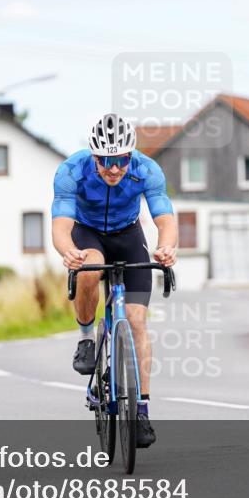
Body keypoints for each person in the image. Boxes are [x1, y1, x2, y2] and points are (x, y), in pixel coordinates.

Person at [50, 113, 177, 448]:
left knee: (136, 321)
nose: (114, 169)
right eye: (106, 161)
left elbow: (165, 217)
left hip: (128, 233)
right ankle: (86, 339)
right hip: (88, 232)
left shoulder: (147, 170)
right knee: (91, 265)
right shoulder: (71, 171)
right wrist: (68, 252)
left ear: (129, 156)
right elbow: (61, 227)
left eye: (121, 160)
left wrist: (166, 247)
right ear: (94, 156)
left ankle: (141, 410)